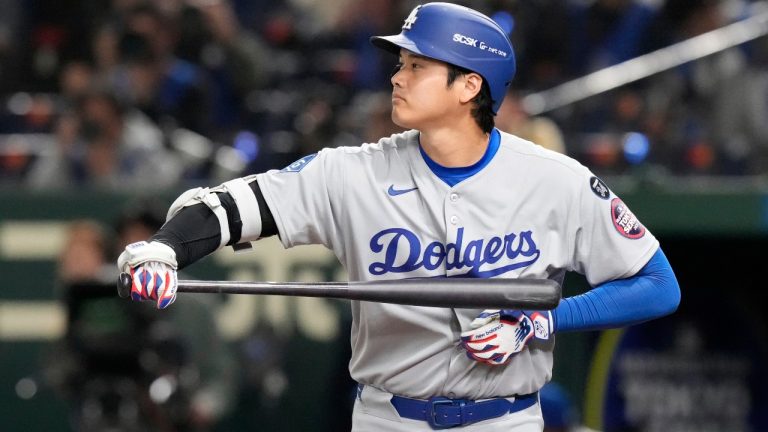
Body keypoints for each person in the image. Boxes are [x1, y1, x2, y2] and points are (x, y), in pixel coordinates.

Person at [117, 3, 680, 431]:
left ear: (469, 86)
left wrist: (542, 322)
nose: (397, 76)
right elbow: (229, 206)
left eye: (417, 65)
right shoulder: (352, 172)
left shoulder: (554, 179)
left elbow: (658, 285)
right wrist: (163, 249)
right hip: (390, 418)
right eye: (400, 63)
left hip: (505, 420)